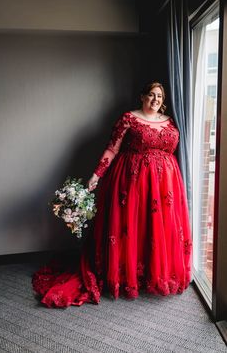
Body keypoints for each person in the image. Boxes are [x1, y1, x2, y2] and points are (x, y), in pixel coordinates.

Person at [32, 82, 193, 307]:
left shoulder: (170, 121)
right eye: (151, 95)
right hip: (133, 181)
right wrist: (96, 175)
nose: (155, 100)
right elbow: (112, 148)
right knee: (131, 229)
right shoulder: (129, 118)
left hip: (165, 185)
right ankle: (128, 277)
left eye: (159, 96)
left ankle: (151, 276)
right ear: (142, 96)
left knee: (156, 230)